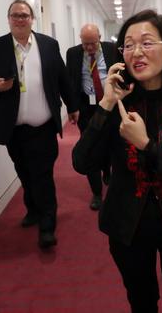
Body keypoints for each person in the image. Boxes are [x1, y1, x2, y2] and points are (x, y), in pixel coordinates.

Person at [72, 9, 162, 312]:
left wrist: (147, 145)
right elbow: (81, 162)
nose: (137, 51)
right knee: (141, 302)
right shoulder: (117, 103)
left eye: (147, 42)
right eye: (129, 44)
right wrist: (107, 103)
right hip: (128, 225)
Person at [0, 0, 78, 249]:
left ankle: (47, 226)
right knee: (24, 171)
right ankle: (33, 209)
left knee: (43, 174)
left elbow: (62, 77)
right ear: (8, 19)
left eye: (24, 15)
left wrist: (73, 106)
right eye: (15, 15)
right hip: (13, 128)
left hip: (43, 126)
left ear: (32, 18)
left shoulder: (49, 45)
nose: (20, 19)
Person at [66, 23, 116, 210]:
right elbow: (70, 80)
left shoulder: (112, 49)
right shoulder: (73, 53)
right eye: (84, 43)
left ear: (100, 38)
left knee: (110, 142)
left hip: (110, 106)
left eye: (92, 43)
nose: (88, 48)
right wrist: (72, 107)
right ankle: (96, 193)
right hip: (86, 108)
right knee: (89, 146)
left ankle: (107, 169)